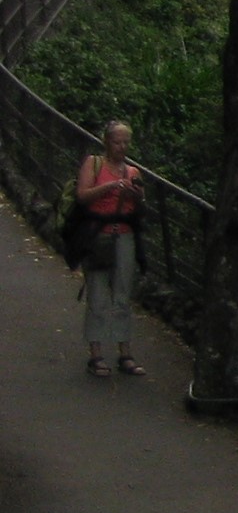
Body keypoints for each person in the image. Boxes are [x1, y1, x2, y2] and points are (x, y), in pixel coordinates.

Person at [73, 121, 144, 378]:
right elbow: (83, 195)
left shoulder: (133, 171)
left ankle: (125, 351)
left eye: (126, 142)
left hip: (124, 236)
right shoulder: (94, 164)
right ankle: (96, 354)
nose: (122, 147)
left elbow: (139, 205)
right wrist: (111, 187)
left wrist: (134, 192)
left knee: (123, 295)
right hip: (98, 236)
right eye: (117, 142)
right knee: (98, 295)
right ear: (107, 142)